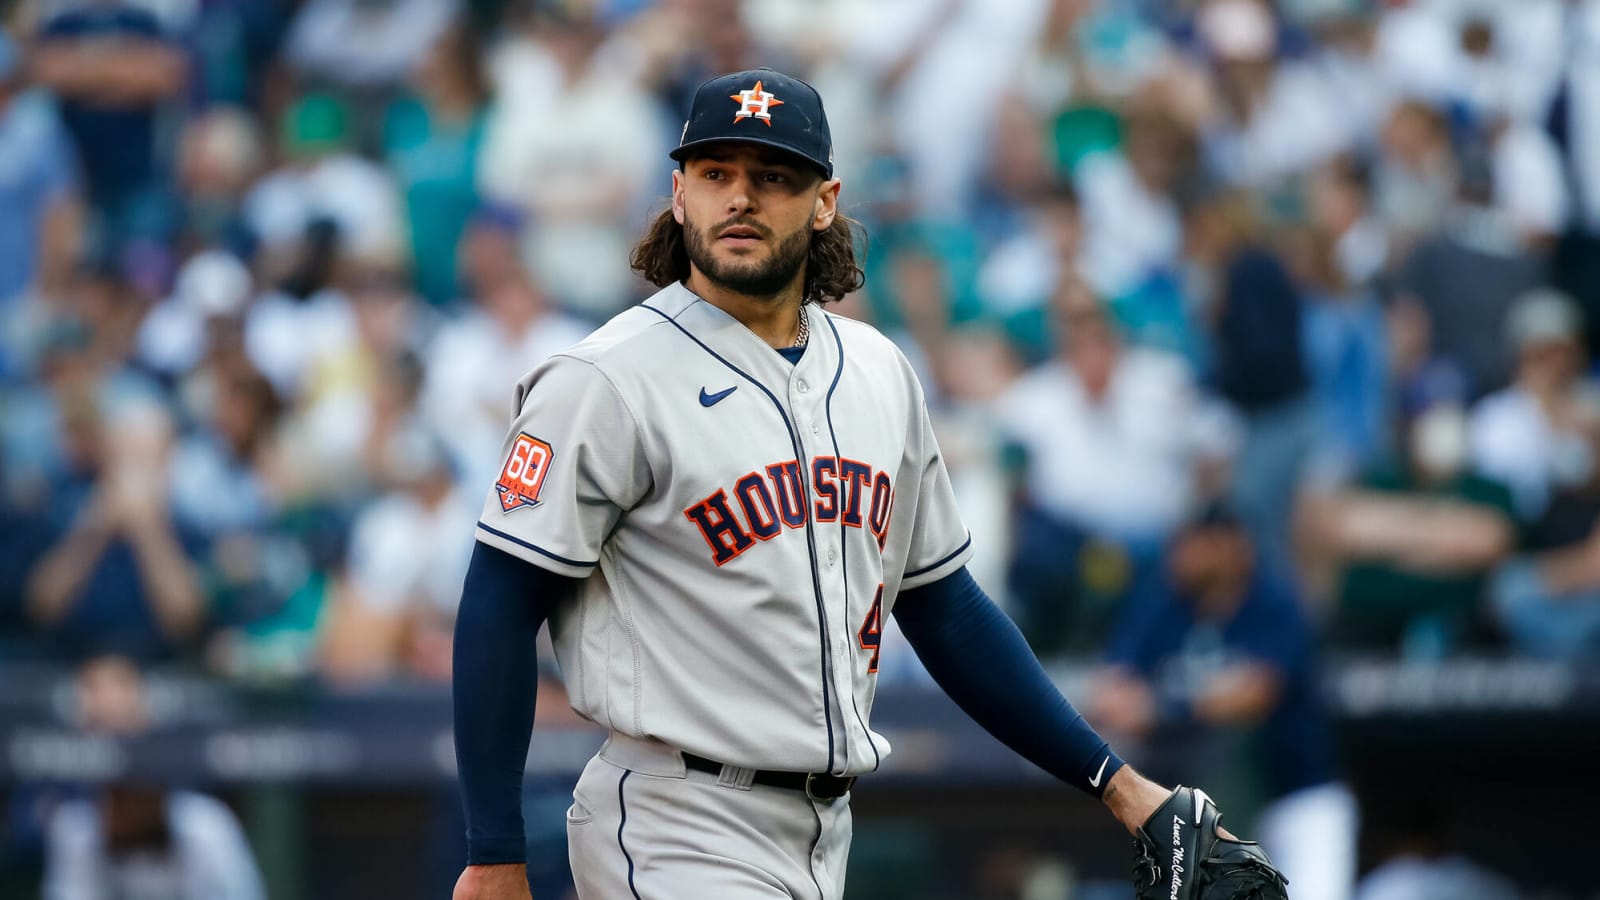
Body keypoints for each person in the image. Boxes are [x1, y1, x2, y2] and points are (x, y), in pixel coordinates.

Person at [450, 69, 1279, 900]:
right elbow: (499, 600)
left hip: (823, 831)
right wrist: (494, 852)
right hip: (676, 819)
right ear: (678, 193)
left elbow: (944, 607)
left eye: (772, 176)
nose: (740, 197)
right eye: (716, 174)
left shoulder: (878, 371)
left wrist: (1123, 788)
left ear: (823, 201)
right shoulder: (606, 380)